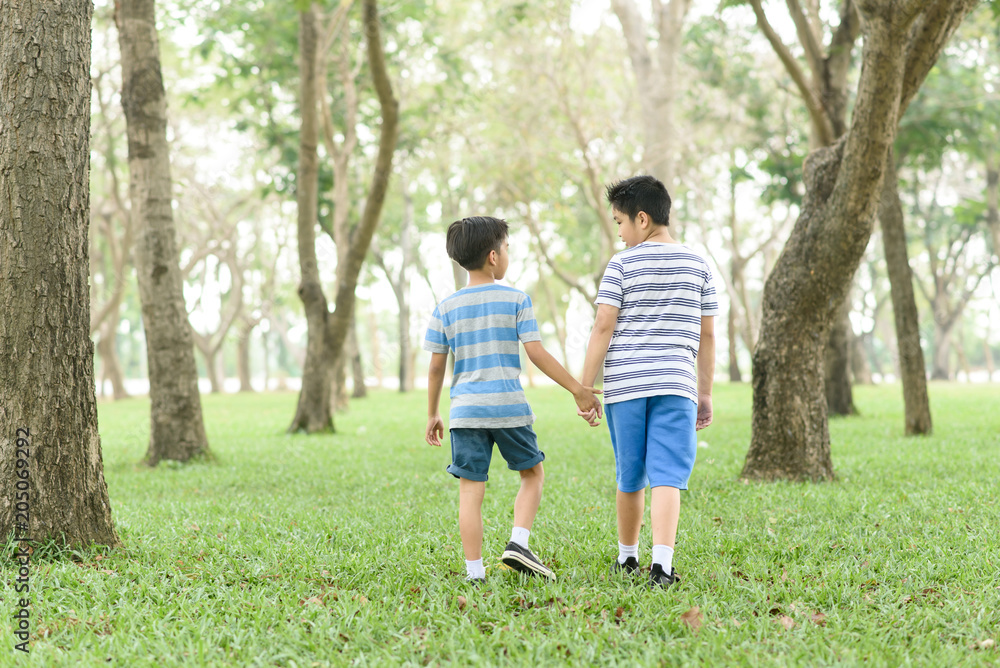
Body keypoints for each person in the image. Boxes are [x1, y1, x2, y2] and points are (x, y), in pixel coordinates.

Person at [423, 216, 602, 584]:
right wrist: (578, 390)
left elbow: (435, 368)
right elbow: (536, 353)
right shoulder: (516, 299)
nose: (507, 255)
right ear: (493, 256)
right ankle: (518, 543)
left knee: (471, 492)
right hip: (508, 406)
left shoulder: (446, 307)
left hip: (465, 413)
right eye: (506, 248)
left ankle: (475, 574)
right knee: (532, 473)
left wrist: (432, 413)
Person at [578, 175, 718, 589]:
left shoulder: (621, 265)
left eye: (620, 222)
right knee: (668, 476)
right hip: (676, 384)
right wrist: (705, 391)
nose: (619, 232)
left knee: (630, 475)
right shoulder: (698, 265)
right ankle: (661, 565)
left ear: (642, 219)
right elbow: (707, 334)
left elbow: (604, 325)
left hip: (625, 385)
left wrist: (586, 386)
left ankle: (627, 557)